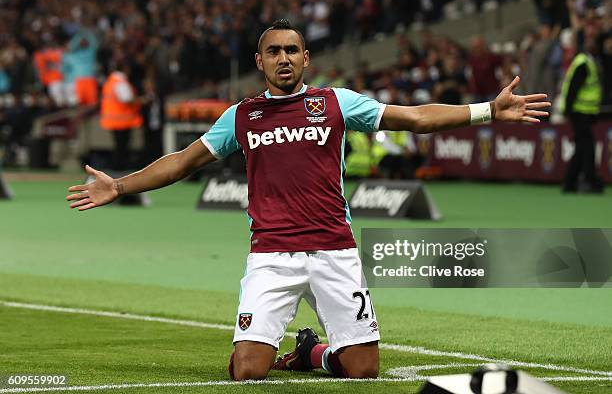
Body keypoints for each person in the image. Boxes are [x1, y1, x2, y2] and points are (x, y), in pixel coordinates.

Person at [66, 20, 550, 381]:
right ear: (260, 62)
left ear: (305, 58)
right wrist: (121, 186)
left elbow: (417, 118)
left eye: (292, 50)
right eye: (274, 51)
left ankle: (308, 354)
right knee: (250, 372)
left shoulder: (336, 103)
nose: (283, 58)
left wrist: (487, 110)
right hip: (272, 255)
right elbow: (184, 161)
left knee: (363, 371)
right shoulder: (242, 115)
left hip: (335, 251)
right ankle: (257, 349)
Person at [560, 38, 603, 193]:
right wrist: (569, 110)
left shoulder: (584, 61)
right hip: (580, 112)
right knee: (588, 147)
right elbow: (573, 88)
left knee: (581, 147)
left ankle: (570, 183)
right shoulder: (584, 63)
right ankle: (590, 180)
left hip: (582, 111)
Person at [100, 63, 143, 171]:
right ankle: (119, 168)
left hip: (112, 119)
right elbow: (126, 98)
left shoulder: (110, 81)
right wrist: (142, 100)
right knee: (122, 146)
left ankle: (117, 167)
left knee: (118, 145)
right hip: (122, 120)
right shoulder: (121, 82)